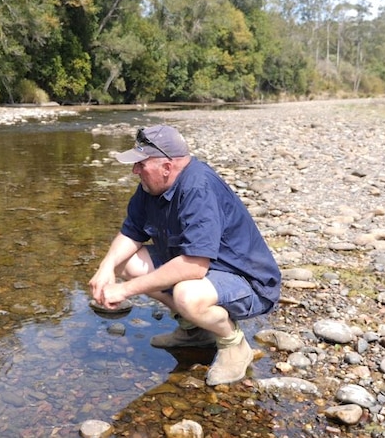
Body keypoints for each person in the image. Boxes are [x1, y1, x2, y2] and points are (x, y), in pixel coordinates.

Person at [89, 125, 282, 386]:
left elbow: (194, 268)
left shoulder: (197, 188)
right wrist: (106, 267)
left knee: (187, 294)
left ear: (167, 167)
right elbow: (131, 233)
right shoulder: (150, 187)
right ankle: (195, 331)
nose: (135, 170)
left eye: (140, 164)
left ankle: (234, 345)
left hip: (248, 282)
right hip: (207, 269)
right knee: (125, 262)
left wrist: (125, 291)